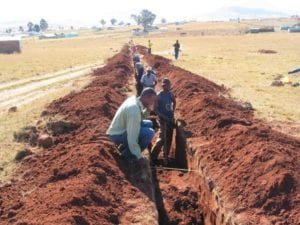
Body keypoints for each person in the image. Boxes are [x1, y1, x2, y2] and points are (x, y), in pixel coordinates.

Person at [107, 88, 157, 164]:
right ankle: (127, 155)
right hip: (117, 134)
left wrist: (148, 110)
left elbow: (139, 118)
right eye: (152, 101)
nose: (152, 103)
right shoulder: (134, 110)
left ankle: (124, 147)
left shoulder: (135, 100)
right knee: (149, 133)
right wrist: (139, 157)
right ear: (145, 97)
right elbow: (132, 137)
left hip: (121, 128)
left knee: (149, 123)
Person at [151, 78, 176, 164]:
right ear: (163, 86)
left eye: (169, 85)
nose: (168, 87)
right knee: (162, 138)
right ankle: (152, 156)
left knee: (168, 138)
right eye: (166, 85)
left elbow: (174, 102)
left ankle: (166, 156)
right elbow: (155, 109)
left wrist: (173, 112)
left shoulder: (171, 95)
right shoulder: (159, 95)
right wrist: (163, 117)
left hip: (169, 119)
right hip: (162, 120)